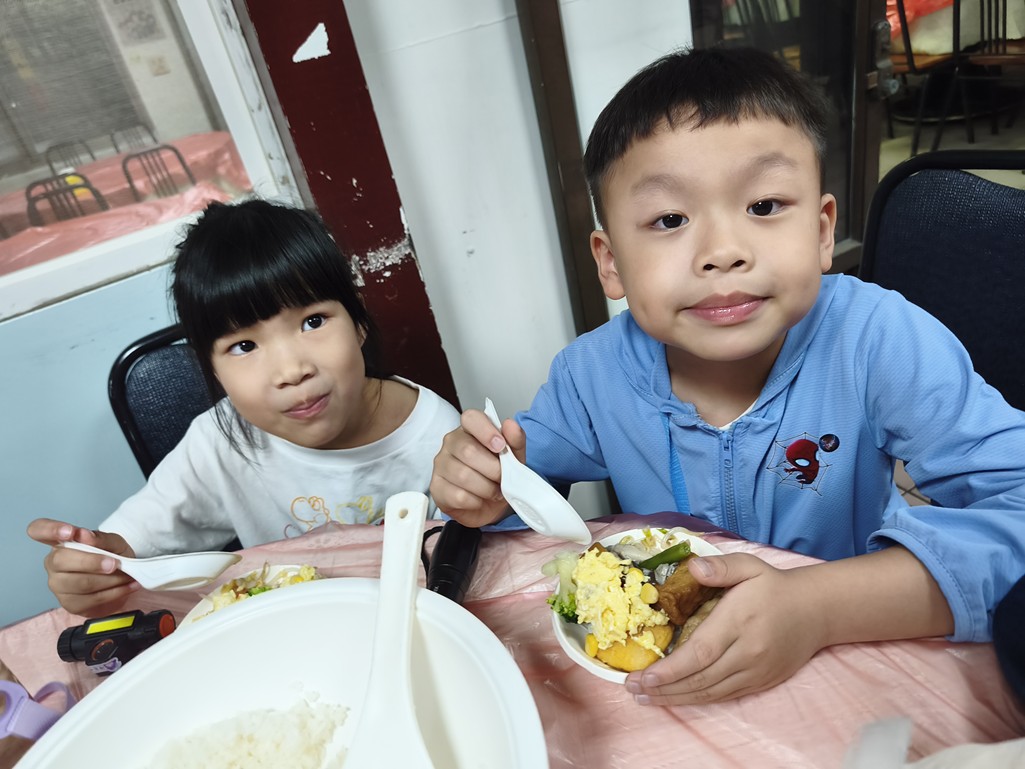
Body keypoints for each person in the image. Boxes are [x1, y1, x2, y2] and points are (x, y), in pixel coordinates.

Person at [430, 46, 1025, 706]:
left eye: (764, 205)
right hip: (665, 672)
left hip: (848, 650)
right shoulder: (589, 375)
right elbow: (519, 494)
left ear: (821, 232)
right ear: (611, 263)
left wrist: (819, 607)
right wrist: (486, 489)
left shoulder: (878, 340)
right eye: (669, 219)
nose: (722, 252)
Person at [29, 199, 460, 618]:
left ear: (359, 321)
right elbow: (128, 544)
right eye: (244, 346)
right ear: (212, 369)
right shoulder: (219, 443)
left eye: (312, 321)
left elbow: (463, 563)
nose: (291, 371)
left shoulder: (436, 436)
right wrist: (95, 567)